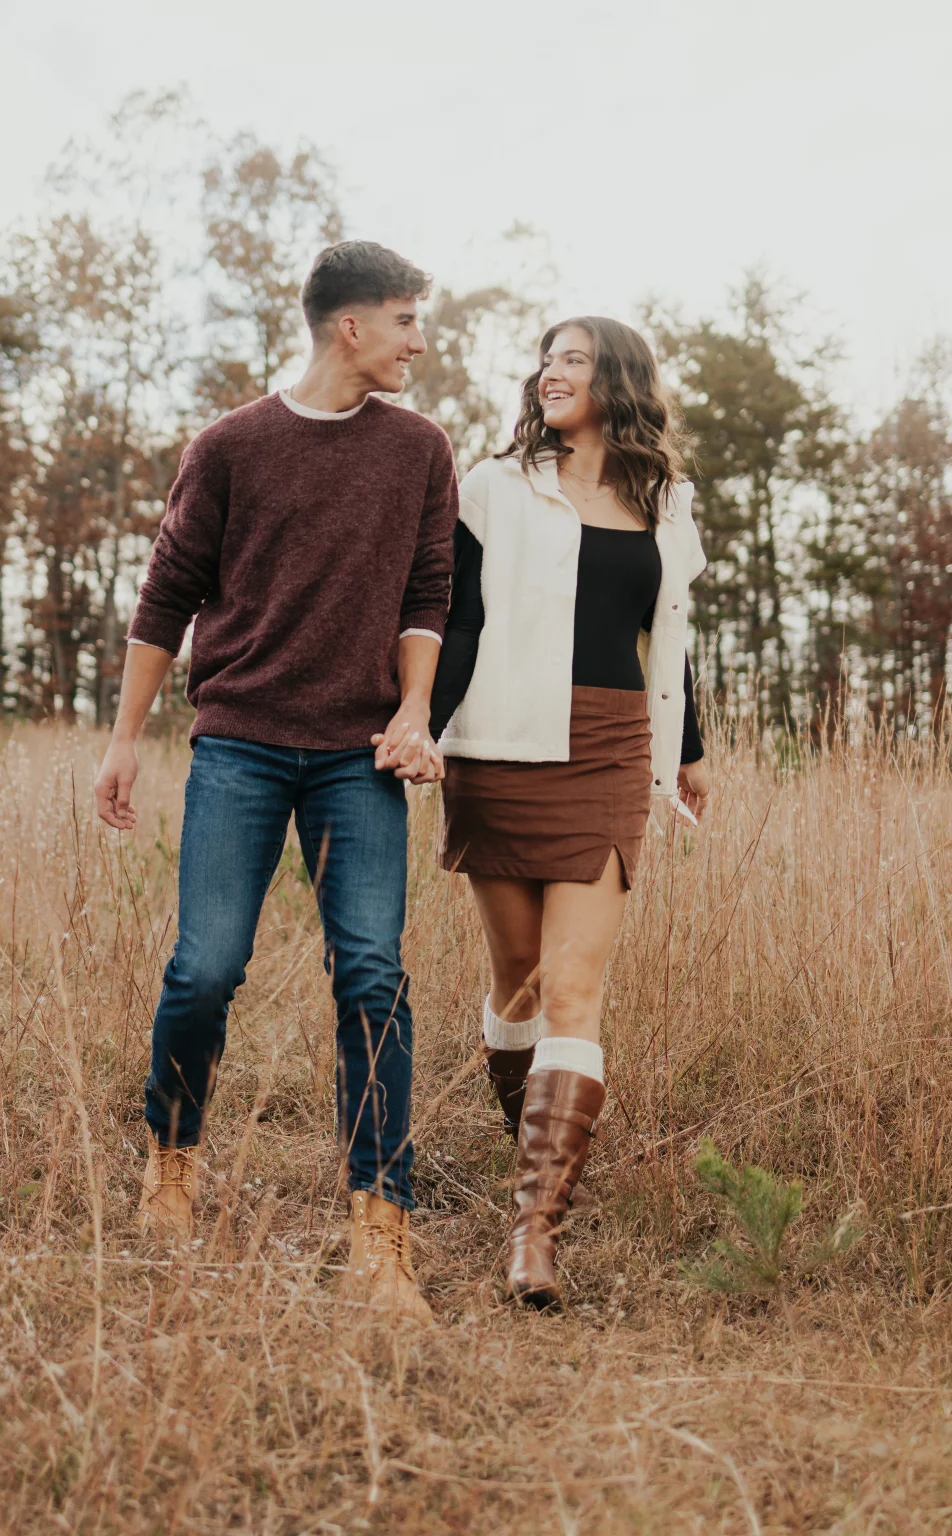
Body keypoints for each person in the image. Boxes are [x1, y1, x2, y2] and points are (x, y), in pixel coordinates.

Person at [93, 241, 458, 1325]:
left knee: (372, 979)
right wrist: (124, 739)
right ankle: (171, 1162)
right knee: (205, 969)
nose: (417, 342)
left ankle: (379, 1233)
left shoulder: (420, 449)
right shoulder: (230, 447)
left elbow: (427, 593)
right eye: (405, 320)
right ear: (351, 326)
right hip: (241, 745)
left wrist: (413, 711)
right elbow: (166, 597)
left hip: (358, 754)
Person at [429, 316, 710, 1310]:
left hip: (611, 746)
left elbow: (667, 634)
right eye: (546, 359)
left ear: (617, 380)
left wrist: (689, 748)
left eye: (574, 360)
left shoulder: (666, 501)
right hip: (500, 743)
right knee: (519, 983)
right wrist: (422, 726)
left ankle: (534, 1233)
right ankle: (530, 1140)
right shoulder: (493, 487)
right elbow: (460, 619)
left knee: (573, 985)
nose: (551, 372)